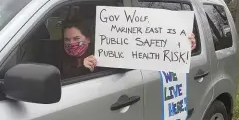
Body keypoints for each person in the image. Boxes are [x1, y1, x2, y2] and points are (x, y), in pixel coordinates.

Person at [62, 17, 197, 78]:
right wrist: (81, 69)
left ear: (88, 39)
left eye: (76, 39)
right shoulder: (58, 58)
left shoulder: (103, 54)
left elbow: (137, 59)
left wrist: (181, 47)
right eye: (67, 40)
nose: (71, 43)